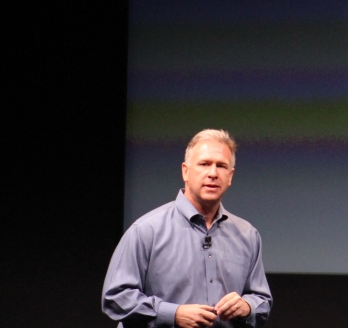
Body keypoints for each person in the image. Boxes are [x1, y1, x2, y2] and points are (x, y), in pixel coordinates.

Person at [102, 129, 272, 327]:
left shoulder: (247, 235)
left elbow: (262, 300)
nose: (213, 173)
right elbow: (116, 297)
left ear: (230, 176)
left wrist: (247, 307)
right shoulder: (146, 230)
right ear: (185, 171)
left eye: (221, 166)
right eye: (204, 164)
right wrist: (172, 314)